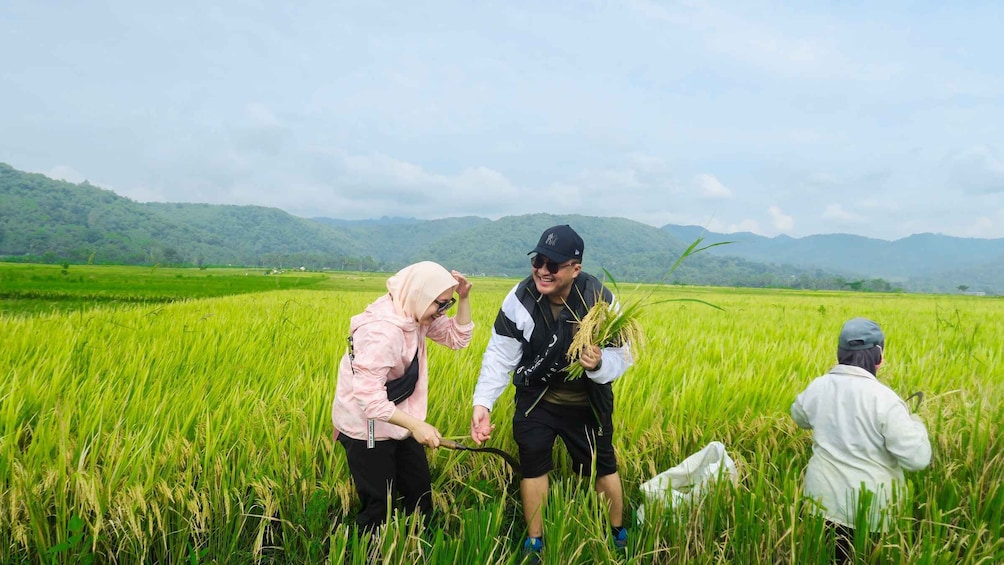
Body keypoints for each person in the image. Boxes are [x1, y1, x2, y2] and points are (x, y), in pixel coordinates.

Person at [469, 224, 633, 560]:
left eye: (553, 264)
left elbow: (624, 355)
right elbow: (501, 354)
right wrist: (483, 402)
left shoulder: (599, 300)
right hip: (537, 400)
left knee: (602, 467)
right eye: (538, 261)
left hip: (586, 402)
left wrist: (599, 362)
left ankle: (617, 533)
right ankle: (535, 541)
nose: (542, 270)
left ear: (575, 269)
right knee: (533, 465)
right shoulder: (520, 298)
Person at [332, 261, 474, 532]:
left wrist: (464, 298)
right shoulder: (382, 332)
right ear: (420, 294)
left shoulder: (413, 313)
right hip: (367, 428)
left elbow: (458, 339)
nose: (443, 312)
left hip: (398, 419)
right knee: (380, 505)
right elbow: (369, 400)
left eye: (448, 304)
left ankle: (418, 546)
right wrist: (417, 425)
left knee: (419, 493)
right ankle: (370, 552)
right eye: (440, 304)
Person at [791, 317, 932, 563]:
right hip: (869, 514)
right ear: (879, 357)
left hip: (821, 503)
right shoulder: (885, 399)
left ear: (839, 353)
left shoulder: (818, 387)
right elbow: (917, 459)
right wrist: (917, 424)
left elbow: (799, 416)